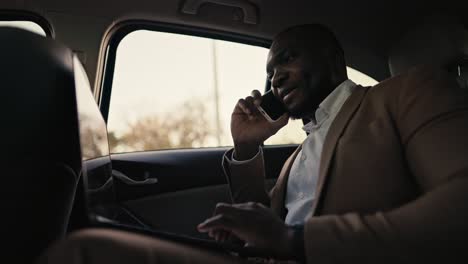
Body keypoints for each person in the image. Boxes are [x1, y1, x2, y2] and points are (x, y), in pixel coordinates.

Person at [38, 22, 468, 264]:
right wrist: (245, 149)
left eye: (288, 58)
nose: (276, 75)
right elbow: (266, 220)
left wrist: (296, 242)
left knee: (87, 255)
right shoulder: (299, 152)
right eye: (270, 69)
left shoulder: (405, 93)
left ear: (335, 61)